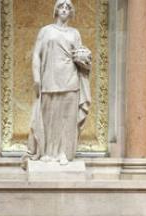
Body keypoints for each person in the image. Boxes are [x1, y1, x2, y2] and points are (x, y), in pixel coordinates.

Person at [25, 0, 92, 165]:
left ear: (71, 12)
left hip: (70, 79)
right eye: (61, 7)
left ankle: (64, 152)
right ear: (55, 10)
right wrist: (36, 77)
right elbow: (36, 55)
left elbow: (79, 54)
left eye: (68, 8)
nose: (64, 10)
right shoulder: (46, 31)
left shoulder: (74, 33)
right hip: (49, 79)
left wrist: (85, 57)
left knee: (67, 119)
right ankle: (47, 151)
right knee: (49, 117)